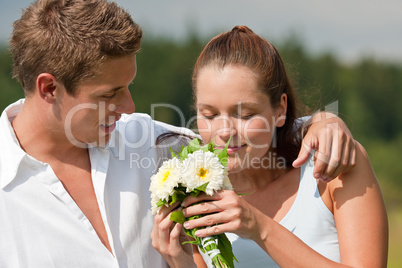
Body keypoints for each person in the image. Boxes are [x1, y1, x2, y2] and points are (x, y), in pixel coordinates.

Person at [0, 0, 356, 267]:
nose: (128, 107)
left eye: (128, 87)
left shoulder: (153, 145)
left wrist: (323, 123)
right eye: (109, 94)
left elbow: (243, 137)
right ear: (49, 89)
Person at [151, 26, 388, 267]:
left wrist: (260, 228)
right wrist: (182, 261)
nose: (224, 131)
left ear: (280, 109)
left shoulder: (334, 165)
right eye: (209, 115)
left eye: (245, 115)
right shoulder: (197, 200)